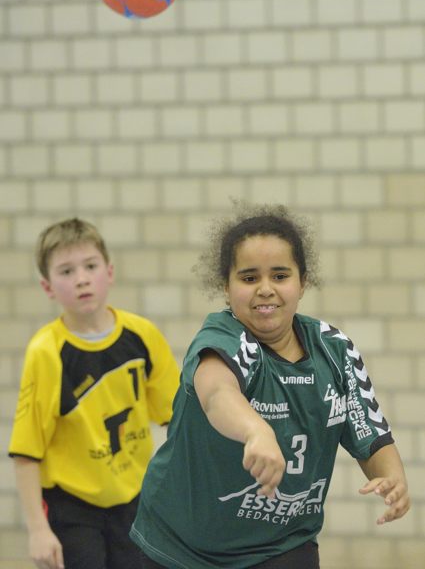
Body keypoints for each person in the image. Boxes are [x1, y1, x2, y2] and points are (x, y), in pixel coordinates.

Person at [130, 202, 410, 569]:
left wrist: (392, 478)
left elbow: (368, 432)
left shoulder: (334, 349)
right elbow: (217, 393)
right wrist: (256, 431)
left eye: (280, 276)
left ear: (302, 282)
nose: (265, 289)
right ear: (226, 287)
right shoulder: (224, 337)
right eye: (249, 278)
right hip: (182, 547)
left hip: (282, 544)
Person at [9, 217, 180, 569]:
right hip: (72, 505)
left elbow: (177, 418)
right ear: (47, 287)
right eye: (66, 271)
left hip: (133, 498)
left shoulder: (142, 335)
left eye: (90, 266)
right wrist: (38, 530)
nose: (81, 279)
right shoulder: (47, 352)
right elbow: (26, 451)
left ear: (109, 272)